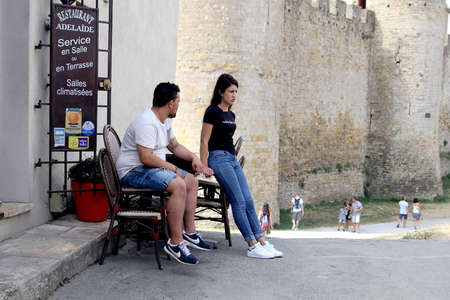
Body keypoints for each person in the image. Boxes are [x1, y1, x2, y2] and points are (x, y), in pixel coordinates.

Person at [116, 82, 211, 265]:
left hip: (150, 168)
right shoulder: (146, 123)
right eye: (178, 102)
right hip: (132, 171)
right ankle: (175, 243)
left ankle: (190, 233)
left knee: (191, 181)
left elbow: (174, 146)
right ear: (170, 103)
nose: (178, 106)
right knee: (178, 184)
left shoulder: (165, 120)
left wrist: (193, 158)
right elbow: (146, 158)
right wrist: (174, 169)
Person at [200, 73, 282, 259]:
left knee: (249, 201)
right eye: (231, 91)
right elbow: (204, 140)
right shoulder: (212, 111)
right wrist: (204, 165)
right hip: (218, 159)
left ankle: (262, 241)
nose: (234, 95)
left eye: (236, 91)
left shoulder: (231, 113)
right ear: (221, 92)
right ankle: (252, 245)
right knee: (238, 201)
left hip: (232, 159)